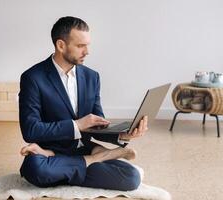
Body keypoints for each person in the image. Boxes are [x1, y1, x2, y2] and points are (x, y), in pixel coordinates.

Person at [19, 16, 148, 191]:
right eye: (80, 46)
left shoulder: (91, 77)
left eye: (87, 45)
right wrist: (77, 125)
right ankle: (95, 158)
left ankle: (69, 165)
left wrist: (123, 135)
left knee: (131, 177)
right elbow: (31, 130)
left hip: (79, 150)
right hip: (47, 152)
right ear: (61, 45)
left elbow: (97, 124)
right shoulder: (33, 78)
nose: (87, 51)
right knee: (34, 168)